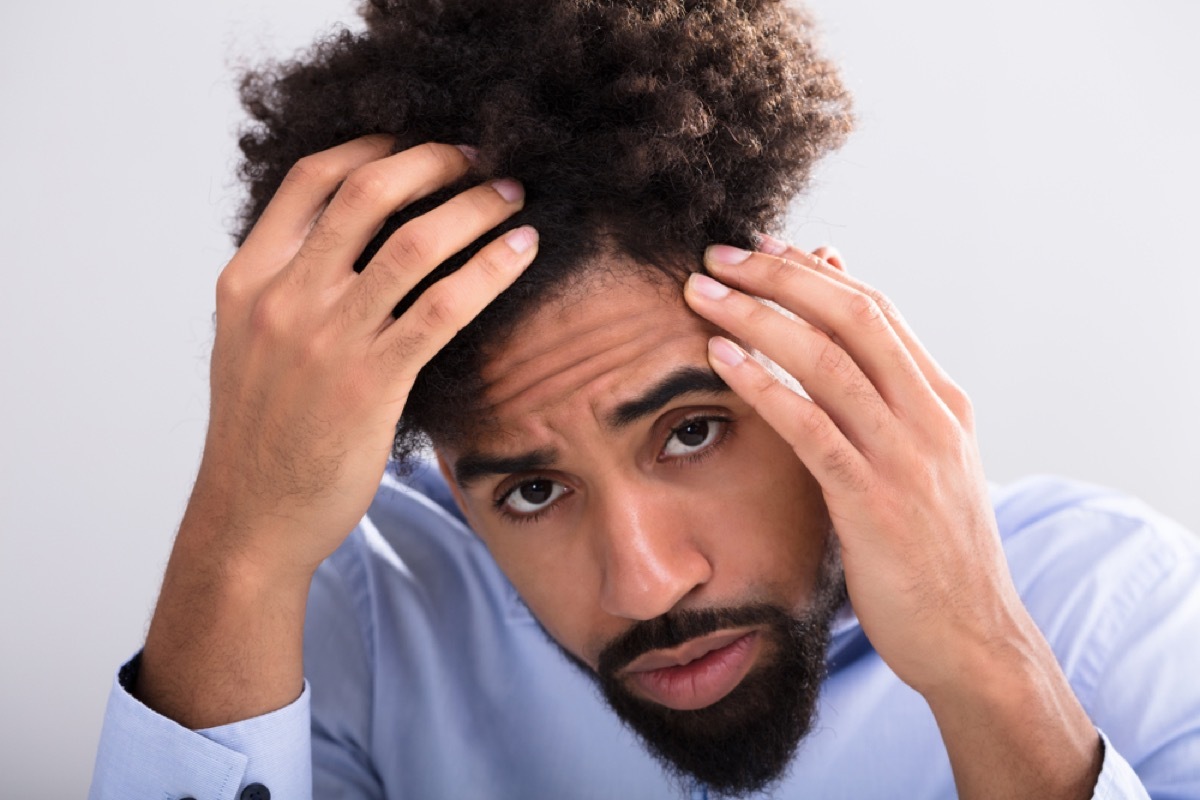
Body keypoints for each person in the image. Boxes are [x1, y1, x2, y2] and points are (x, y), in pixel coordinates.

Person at [89, 1, 1200, 798]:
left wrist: (986, 662)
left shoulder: (1122, 616)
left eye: (692, 431)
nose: (646, 582)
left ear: (816, 338)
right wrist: (239, 540)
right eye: (531, 490)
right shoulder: (364, 625)